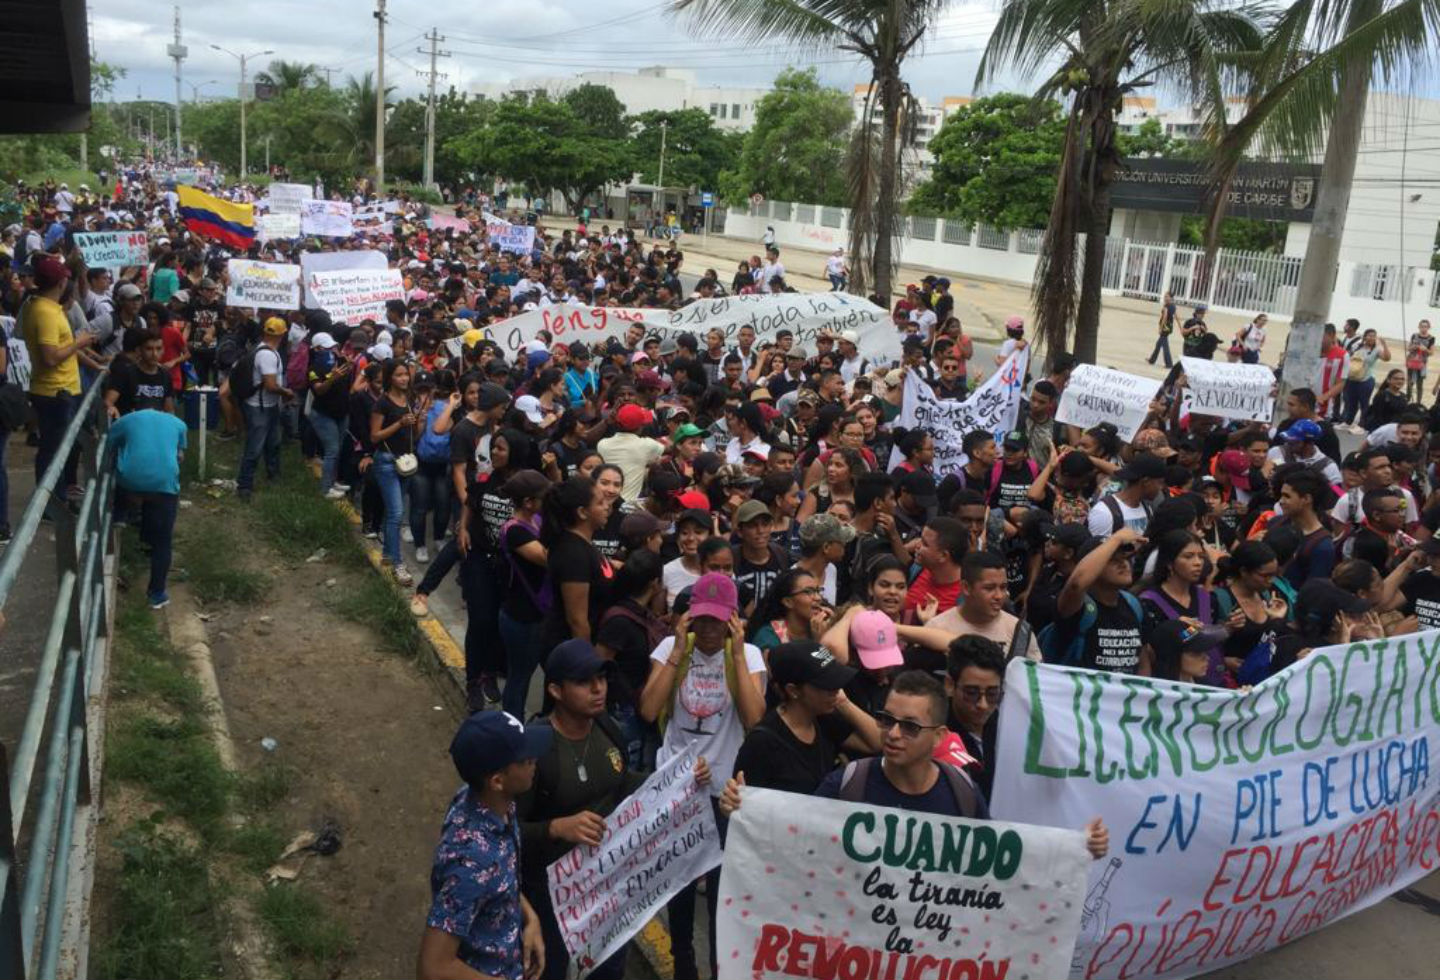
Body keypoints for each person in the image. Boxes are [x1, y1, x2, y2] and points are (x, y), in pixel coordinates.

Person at [516, 640, 693, 980]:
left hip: (608, 888)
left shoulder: (606, 727)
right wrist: (555, 827)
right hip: (552, 897)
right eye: (584, 682)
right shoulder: (535, 749)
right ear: (555, 690)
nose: (598, 689)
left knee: (608, 968)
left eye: (602, 678)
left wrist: (678, 779)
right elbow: (502, 831)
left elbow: (621, 781)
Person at [638, 573, 766, 980]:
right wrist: (677, 649)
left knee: (719, 891)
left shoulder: (751, 657)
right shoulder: (670, 648)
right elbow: (647, 709)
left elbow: (754, 718)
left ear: (732, 620)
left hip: (723, 792)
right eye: (702, 620)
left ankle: (717, 966)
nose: (709, 630)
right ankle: (683, 964)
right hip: (676, 788)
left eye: (718, 621)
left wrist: (741, 654)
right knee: (677, 885)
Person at [419, 711, 548, 980]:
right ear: (497, 781)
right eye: (525, 760)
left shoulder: (491, 803)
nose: (534, 761)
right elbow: (433, 967)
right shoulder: (472, 862)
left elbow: (501, 879)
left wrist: (530, 918)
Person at [732, 640, 880, 797]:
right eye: (826, 685)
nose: (836, 690)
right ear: (793, 690)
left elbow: (876, 742)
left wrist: (844, 703)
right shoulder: (762, 743)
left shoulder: (824, 721)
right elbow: (744, 806)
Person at [20, 255, 92, 506]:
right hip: (55, 392)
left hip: (58, 390)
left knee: (56, 451)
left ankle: (56, 499)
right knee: (53, 453)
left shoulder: (43, 306)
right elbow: (51, 358)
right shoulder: (46, 313)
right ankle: (52, 504)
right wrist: (78, 343)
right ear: (61, 282)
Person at [109, 408, 188, 609]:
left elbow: (109, 446)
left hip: (130, 482)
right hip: (163, 485)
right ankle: (157, 593)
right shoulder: (178, 423)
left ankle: (119, 515)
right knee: (163, 541)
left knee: (119, 466)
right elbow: (180, 456)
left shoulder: (126, 419)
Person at [1047, 529, 1146, 673]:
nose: (1124, 564)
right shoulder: (1077, 607)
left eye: (1124, 557)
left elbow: (1143, 660)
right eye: (1112, 560)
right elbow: (1077, 584)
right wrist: (1116, 539)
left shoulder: (1134, 605)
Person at [497, 470, 553, 719]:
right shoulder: (515, 531)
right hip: (522, 616)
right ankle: (513, 729)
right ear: (529, 502)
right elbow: (547, 558)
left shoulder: (537, 519)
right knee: (519, 677)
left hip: (537, 613)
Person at [923, 551, 1042, 661]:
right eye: (989, 588)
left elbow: (1035, 678)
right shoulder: (937, 628)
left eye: (1003, 587)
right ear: (966, 588)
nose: (999, 596)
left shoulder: (1020, 631)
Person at [370, 359, 425, 585]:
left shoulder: (410, 400)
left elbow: (416, 436)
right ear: (390, 377)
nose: (404, 378)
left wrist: (419, 421)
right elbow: (375, 436)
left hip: (406, 462)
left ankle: (387, 556)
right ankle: (398, 564)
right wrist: (399, 423)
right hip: (386, 461)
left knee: (394, 513)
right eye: (399, 375)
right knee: (396, 513)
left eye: (406, 375)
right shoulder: (382, 403)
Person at [237, 317, 294, 503]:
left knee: (273, 443)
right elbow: (270, 385)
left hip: (267, 406)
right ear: (281, 334)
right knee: (255, 447)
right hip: (259, 408)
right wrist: (285, 391)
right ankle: (245, 486)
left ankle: (273, 476)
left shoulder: (262, 349)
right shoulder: (268, 355)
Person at [596, 403, 663, 503]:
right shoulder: (647, 445)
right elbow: (669, 449)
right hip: (628, 506)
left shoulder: (602, 444)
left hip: (603, 501)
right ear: (640, 427)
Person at [1088, 453, 1164, 536]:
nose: (1161, 488)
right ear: (1146, 482)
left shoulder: (1148, 509)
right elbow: (1097, 548)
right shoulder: (1104, 512)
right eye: (1159, 483)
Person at [1149, 291, 1177, 367]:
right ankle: (1152, 359)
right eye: (1165, 296)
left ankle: (1169, 363)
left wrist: (1161, 328)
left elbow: (1164, 317)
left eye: (1167, 296)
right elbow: (1175, 315)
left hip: (1165, 327)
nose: (1165, 298)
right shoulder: (1173, 306)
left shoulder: (1167, 306)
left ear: (1171, 298)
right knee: (1158, 344)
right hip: (1169, 326)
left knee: (1165, 346)